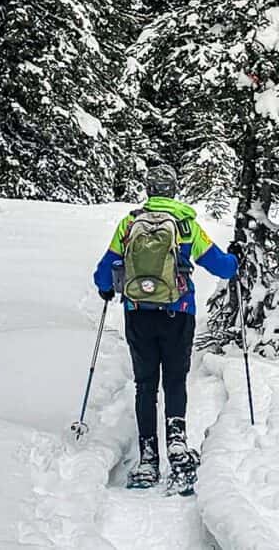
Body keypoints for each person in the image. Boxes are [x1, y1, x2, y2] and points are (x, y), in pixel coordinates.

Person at [93, 165, 238, 494]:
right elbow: (220, 265)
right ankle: (177, 443)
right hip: (178, 312)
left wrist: (106, 288)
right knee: (174, 379)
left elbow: (105, 270)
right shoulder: (186, 225)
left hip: (138, 313)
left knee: (145, 383)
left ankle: (147, 457)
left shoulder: (130, 223)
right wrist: (236, 261)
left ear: (149, 189)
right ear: (173, 190)